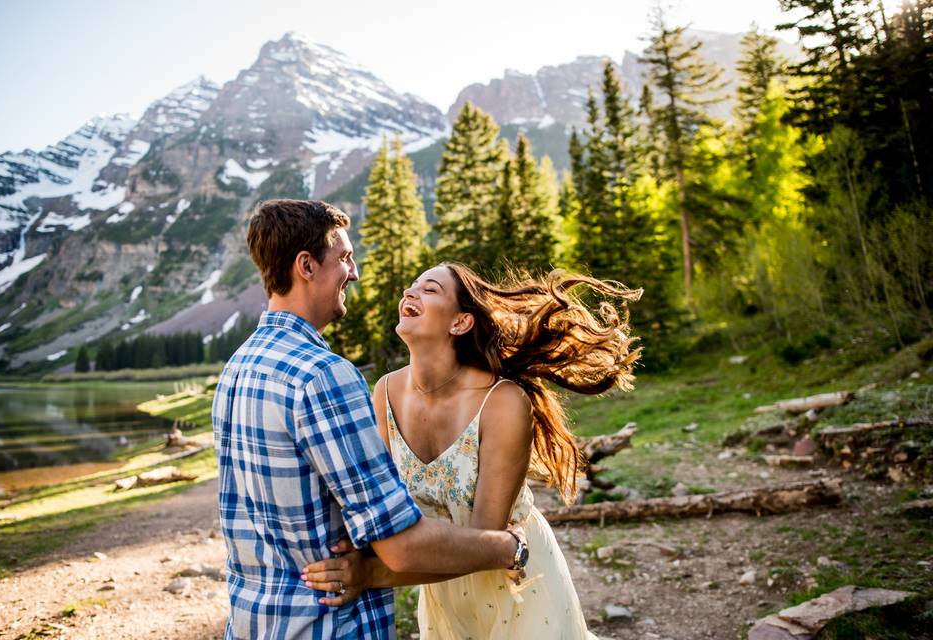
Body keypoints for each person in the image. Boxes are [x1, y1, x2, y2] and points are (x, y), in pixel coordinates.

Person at [212, 201, 527, 640]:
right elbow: (400, 547)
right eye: (343, 257)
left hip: (255, 623)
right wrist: (514, 548)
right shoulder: (323, 376)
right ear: (306, 265)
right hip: (327, 626)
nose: (353, 272)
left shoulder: (239, 367)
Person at [303, 262, 641, 638]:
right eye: (411, 287)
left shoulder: (503, 402)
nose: (409, 293)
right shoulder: (384, 392)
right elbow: (384, 507)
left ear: (460, 323)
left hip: (517, 583)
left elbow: (486, 541)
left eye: (429, 290)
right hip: (442, 589)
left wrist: (372, 573)